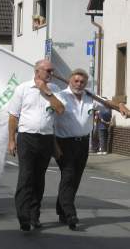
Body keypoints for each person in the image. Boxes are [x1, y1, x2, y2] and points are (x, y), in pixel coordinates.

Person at [8, 59, 64, 232]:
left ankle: (34, 216)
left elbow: (60, 109)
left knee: (39, 179)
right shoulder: (22, 89)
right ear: (37, 71)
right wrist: (11, 139)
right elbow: (13, 116)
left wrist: (45, 91)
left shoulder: (54, 90)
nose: (51, 73)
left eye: (52, 71)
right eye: (48, 70)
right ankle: (23, 216)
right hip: (26, 137)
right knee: (26, 177)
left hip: (46, 138)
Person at [54, 69, 106, 230]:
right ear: (70, 81)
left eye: (82, 82)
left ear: (86, 84)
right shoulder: (60, 97)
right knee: (68, 175)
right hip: (64, 143)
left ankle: (61, 209)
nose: (79, 84)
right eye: (76, 81)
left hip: (83, 143)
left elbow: (107, 104)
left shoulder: (90, 98)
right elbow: (49, 119)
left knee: (74, 179)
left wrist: (121, 105)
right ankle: (71, 214)